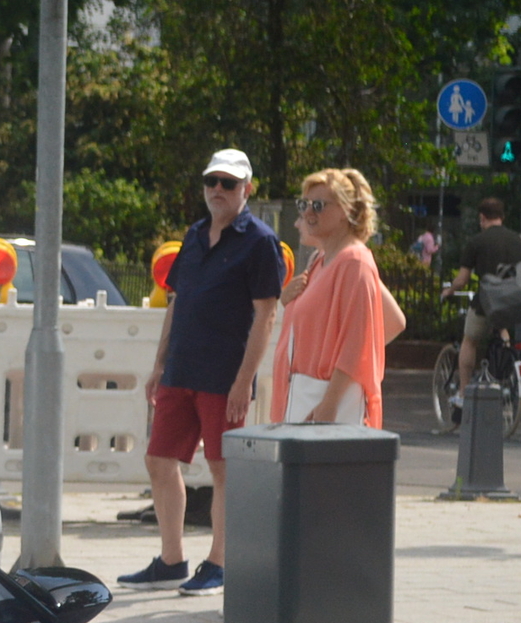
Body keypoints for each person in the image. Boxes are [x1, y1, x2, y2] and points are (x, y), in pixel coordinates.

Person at [118, 148, 284, 597]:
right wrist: (158, 364)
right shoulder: (193, 236)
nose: (217, 190)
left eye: (228, 183)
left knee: (222, 467)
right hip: (181, 369)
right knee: (158, 459)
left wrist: (243, 380)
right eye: (211, 181)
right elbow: (176, 301)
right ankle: (172, 560)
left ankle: (220, 562)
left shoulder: (260, 241)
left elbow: (266, 314)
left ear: (247, 189)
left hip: (223, 374)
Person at [272, 169, 396, 427]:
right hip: (303, 395)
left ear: (345, 211)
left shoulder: (354, 262)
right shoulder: (321, 260)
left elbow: (357, 342)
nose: (307, 213)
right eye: (303, 204)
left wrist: (329, 404)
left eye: (318, 205)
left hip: (325, 403)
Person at [445, 198, 521, 404]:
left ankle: (464, 393)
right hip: (511, 301)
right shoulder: (518, 240)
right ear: (502, 217)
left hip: (487, 302)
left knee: (470, 340)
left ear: (482, 217)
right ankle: (507, 369)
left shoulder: (477, 242)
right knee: (503, 334)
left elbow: (463, 280)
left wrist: (450, 290)